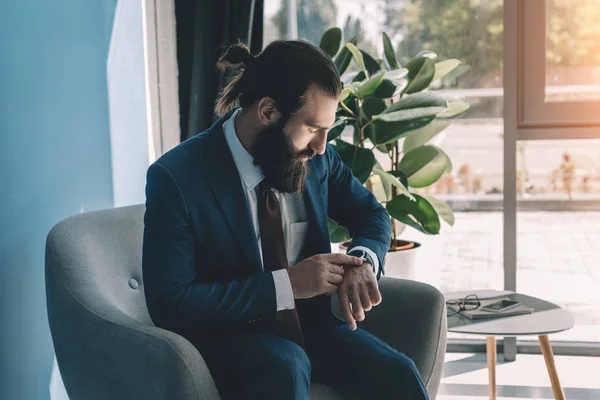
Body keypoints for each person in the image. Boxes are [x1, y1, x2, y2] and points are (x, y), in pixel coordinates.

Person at [142, 39, 429, 400]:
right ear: (267, 112)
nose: (323, 146)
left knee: (397, 373)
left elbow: (372, 215)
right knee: (287, 364)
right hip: (230, 337)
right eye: (312, 129)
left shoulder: (317, 160)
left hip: (314, 328)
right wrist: (288, 285)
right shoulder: (177, 177)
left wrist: (362, 262)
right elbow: (171, 303)